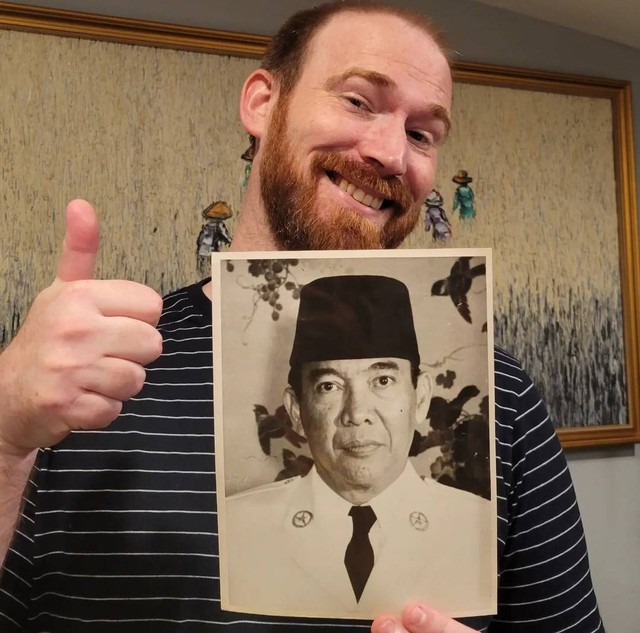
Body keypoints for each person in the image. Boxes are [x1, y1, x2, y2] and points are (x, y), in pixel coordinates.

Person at [0, 2, 603, 632]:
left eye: (423, 134)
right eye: (359, 101)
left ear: (422, 393)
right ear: (263, 103)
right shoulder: (84, 376)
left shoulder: (506, 402)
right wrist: (4, 433)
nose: (393, 153)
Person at [224, 275, 492, 618]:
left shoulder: (479, 528)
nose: (357, 414)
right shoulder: (236, 531)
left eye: (382, 381)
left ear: (421, 398)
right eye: (329, 386)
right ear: (295, 409)